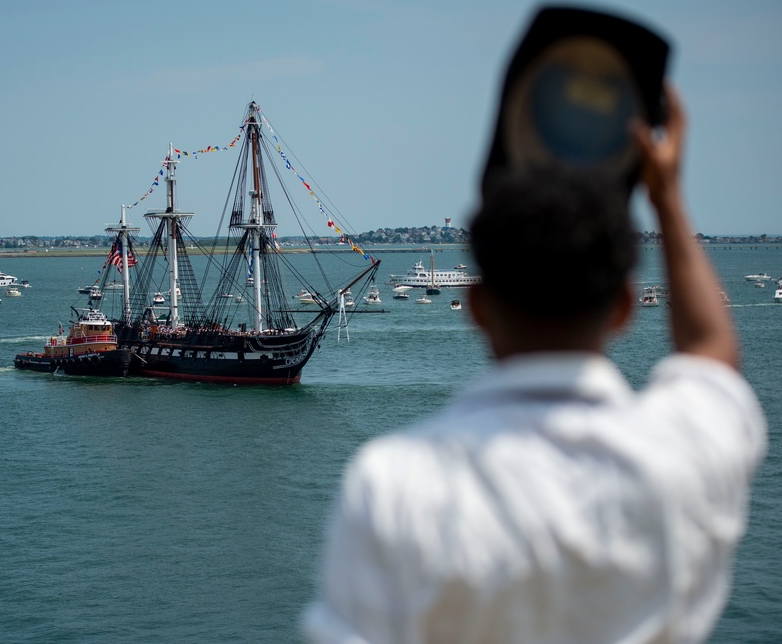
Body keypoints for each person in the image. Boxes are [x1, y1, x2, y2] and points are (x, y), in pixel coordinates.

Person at [302, 86, 766, 643]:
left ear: (476, 307)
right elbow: (712, 355)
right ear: (623, 308)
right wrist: (665, 193)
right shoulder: (678, 456)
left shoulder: (392, 484)